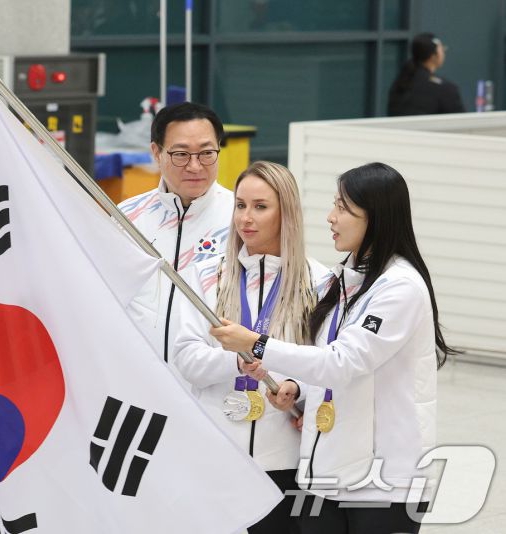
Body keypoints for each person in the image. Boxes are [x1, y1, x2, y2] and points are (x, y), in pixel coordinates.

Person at [212, 162, 453, 533]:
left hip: (383, 478)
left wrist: (256, 344)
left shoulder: (400, 287)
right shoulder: (345, 279)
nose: (331, 217)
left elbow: (343, 362)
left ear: (376, 218)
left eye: (343, 208)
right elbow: (328, 359)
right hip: (327, 467)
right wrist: (300, 390)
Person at [174, 161, 328, 534]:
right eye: (240, 205)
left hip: (283, 460)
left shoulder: (319, 282)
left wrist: (297, 389)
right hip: (216, 451)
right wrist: (240, 363)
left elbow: (326, 368)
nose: (246, 217)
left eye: (260, 206)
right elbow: (187, 359)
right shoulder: (208, 272)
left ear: (286, 213)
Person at [118, 102, 233, 363]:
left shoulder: (242, 221)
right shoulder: (126, 217)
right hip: (139, 373)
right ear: (156, 153)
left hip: (209, 381)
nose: (195, 166)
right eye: (181, 154)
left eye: (206, 153)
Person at [388, 32, 464, 116]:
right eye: (442, 50)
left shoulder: (400, 82)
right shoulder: (445, 89)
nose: (444, 53)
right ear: (433, 56)